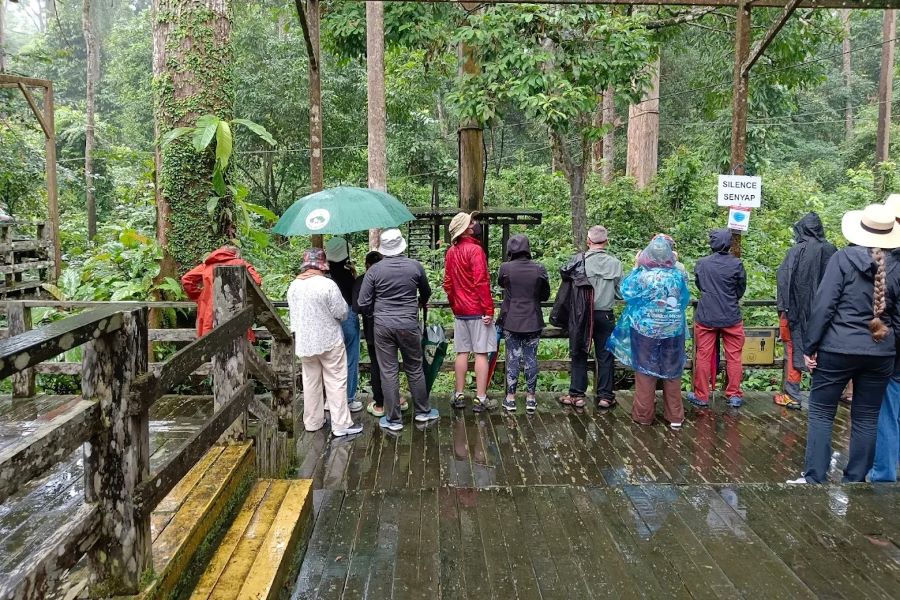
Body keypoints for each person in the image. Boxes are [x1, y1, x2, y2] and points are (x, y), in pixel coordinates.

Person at [792, 204, 900, 484]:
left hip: (837, 349)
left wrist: (810, 346)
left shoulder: (842, 259)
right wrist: (892, 350)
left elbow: (824, 306)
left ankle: (815, 476)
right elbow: (898, 318)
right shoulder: (897, 265)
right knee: (866, 418)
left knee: (821, 412)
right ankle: (855, 479)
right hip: (880, 352)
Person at [357, 229, 439, 430]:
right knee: (414, 367)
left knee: (388, 371)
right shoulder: (415, 267)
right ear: (402, 245)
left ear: (383, 249)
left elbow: (362, 302)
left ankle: (393, 419)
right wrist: (417, 302)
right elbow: (426, 293)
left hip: (383, 326)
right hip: (409, 324)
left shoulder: (374, 271)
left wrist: (376, 312)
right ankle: (422, 411)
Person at [609, 237, 690, 428]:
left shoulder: (642, 276)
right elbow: (685, 296)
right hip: (672, 329)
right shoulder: (678, 276)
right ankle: (675, 417)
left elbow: (626, 291)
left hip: (644, 330)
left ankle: (644, 416)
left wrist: (637, 265)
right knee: (672, 372)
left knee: (645, 373)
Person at [286, 248, 362, 437]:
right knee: (336, 381)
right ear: (321, 265)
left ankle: (312, 421)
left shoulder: (293, 286)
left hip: (305, 342)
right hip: (329, 341)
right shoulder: (327, 285)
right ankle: (341, 424)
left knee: (311, 382)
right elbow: (342, 313)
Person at [551, 225, 623, 410]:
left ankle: (577, 394)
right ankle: (605, 396)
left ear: (588, 241)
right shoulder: (615, 263)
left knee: (579, 351)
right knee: (605, 355)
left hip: (582, 314)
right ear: (606, 241)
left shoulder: (579, 262)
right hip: (605, 314)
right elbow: (621, 293)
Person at [774, 213, 837, 410]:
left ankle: (792, 395)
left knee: (794, 350)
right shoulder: (831, 250)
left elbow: (783, 279)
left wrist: (782, 309)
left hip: (794, 312)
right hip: (825, 313)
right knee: (824, 350)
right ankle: (823, 397)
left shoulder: (795, 251)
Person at [444, 211, 497, 412]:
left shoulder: (451, 252)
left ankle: (458, 394)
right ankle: (480, 398)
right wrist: (488, 309)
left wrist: (455, 303)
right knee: (481, 353)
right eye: (471, 222)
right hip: (478, 310)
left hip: (460, 311)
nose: (474, 224)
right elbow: (481, 281)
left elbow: (447, 283)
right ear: (466, 228)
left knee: (462, 352)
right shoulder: (475, 250)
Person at [688, 229, 747, 408]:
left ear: (711, 244)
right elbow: (740, 288)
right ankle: (734, 394)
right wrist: (729, 298)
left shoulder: (702, 264)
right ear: (729, 243)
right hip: (731, 315)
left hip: (707, 315)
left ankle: (702, 395)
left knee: (703, 355)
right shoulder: (737, 264)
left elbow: (700, 284)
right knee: (734, 356)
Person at [497, 234, 550, 414]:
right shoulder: (539, 269)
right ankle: (531, 398)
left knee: (512, 358)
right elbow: (545, 295)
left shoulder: (505, 268)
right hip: (533, 319)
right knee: (530, 358)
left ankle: (511, 398)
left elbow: (501, 285)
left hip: (511, 319)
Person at [352, 250, 409, 417]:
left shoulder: (362, 280)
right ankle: (395, 398)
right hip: (395, 326)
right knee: (391, 364)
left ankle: (380, 403)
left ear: (367, 265)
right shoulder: (391, 277)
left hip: (372, 329)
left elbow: (356, 307)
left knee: (377, 365)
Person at [870, 194, 900, 483]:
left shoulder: (890, 265)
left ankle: (883, 472)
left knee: (888, 410)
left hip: (895, 353)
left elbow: (886, 310)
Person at [181, 245, 261, 337]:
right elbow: (257, 281)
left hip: (210, 310)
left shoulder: (207, 265)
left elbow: (186, 279)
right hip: (235, 307)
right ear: (236, 254)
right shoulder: (241, 263)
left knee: (210, 339)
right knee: (237, 338)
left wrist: (201, 297)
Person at [325, 236, 363, 413]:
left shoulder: (325, 275)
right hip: (348, 316)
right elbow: (355, 294)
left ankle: (328, 399)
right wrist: (354, 275)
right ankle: (348, 398)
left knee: (329, 359)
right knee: (350, 358)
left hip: (327, 319)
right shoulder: (346, 274)